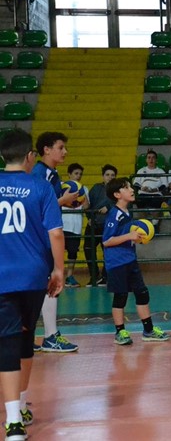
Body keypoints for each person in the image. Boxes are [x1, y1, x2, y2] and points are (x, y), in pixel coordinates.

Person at [0, 129, 65, 440]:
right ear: (30, 156)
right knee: (26, 338)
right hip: (32, 275)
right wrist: (59, 270)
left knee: (7, 343)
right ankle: (22, 405)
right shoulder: (40, 186)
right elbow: (56, 233)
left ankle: (14, 422)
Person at [101, 177, 171, 345]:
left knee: (142, 293)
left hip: (130, 259)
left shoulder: (127, 212)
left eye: (131, 187)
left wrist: (137, 238)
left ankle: (148, 330)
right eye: (127, 188)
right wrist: (129, 236)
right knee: (121, 296)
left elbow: (127, 235)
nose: (132, 189)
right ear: (117, 195)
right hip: (116, 262)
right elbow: (107, 241)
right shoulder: (114, 214)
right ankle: (120, 332)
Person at [30, 131, 79, 353]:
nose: (65, 151)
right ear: (46, 150)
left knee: (41, 286)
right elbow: (38, 206)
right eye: (61, 147)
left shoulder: (52, 173)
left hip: (42, 237)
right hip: (40, 237)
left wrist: (67, 202)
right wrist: (62, 200)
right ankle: (50, 336)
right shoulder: (40, 173)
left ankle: (30, 336)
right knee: (50, 283)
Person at [84, 164, 117, 287]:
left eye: (112, 175)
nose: (110, 177)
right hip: (94, 224)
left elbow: (122, 205)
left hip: (108, 225)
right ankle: (94, 276)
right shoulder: (96, 188)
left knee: (107, 251)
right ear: (103, 176)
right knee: (88, 248)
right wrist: (89, 218)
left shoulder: (118, 190)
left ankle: (105, 277)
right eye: (107, 175)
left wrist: (109, 207)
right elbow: (88, 205)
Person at [61, 163, 88, 288]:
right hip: (61, 225)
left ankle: (69, 276)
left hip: (76, 226)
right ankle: (54, 276)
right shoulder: (62, 187)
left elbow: (86, 207)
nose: (78, 176)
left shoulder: (84, 189)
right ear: (69, 174)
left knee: (73, 253)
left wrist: (82, 196)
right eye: (76, 173)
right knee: (57, 252)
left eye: (80, 174)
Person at [133, 150, 166, 222]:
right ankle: (144, 224)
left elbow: (165, 185)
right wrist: (142, 188)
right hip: (143, 194)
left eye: (153, 158)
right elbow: (135, 183)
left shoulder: (161, 171)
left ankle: (155, 224)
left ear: (156, 160)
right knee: (140, 204)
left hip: (156, 194)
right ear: (146, 160)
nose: (151, 160)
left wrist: (156, 189)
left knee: (157, 204)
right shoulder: (141, 171)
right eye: (149, 157)